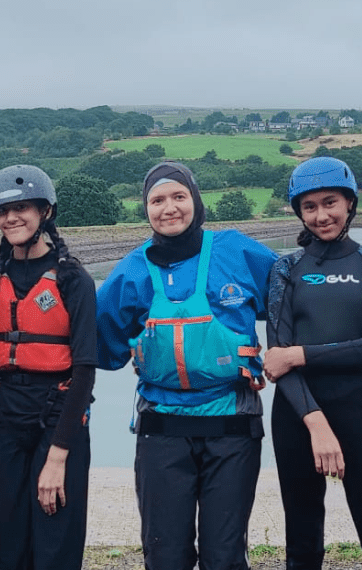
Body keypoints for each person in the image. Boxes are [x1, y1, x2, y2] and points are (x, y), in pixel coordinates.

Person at [95, 161, 278, 570]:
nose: (169, 208)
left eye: (178, 196)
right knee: (165, 555)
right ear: (146, 209)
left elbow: (295, 291)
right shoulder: (130, 271)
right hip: (162, 428)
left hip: (232, 424)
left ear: (195, 200)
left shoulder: (237, 251)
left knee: (224, 556)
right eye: (157, 200)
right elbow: (99, 342)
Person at [264, 156, 362, 569]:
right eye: (309, 207)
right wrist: (314, 418)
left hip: (358, 412)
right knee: (303, 541)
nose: (321, 215)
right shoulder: (286, 268)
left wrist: (302, 354)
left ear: (350, 204)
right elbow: (277, 361)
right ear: (299, 212)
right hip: (296, 416)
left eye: (330, 202)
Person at [0, 165, 97, 570]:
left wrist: (57, 457)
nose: (11, 218)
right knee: (10, 546)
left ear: (44, 212)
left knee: (55, 542)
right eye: (3, 212)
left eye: (22, 208)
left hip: (57, 420)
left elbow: (85, 369)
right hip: (3, 420)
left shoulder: (72, 279)